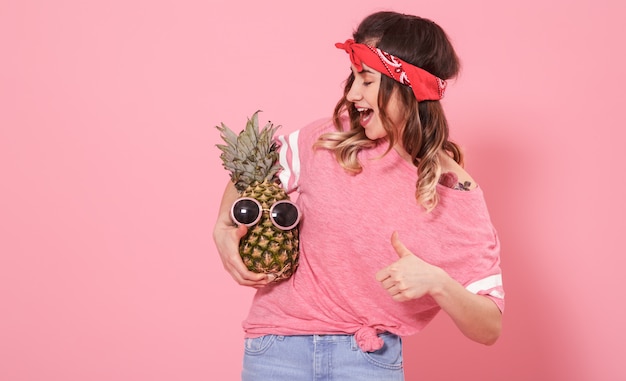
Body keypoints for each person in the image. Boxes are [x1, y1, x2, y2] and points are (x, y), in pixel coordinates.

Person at [213, 11, 504, 381]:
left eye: (366, 81)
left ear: (411, 86)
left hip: (367, 361)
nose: (352, 94)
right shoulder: (329, 140)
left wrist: (438, 283)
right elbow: (256, 170)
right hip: (277, 350)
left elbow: (489, 326)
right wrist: (223, 226)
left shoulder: (455, 193)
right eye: (353, 79)